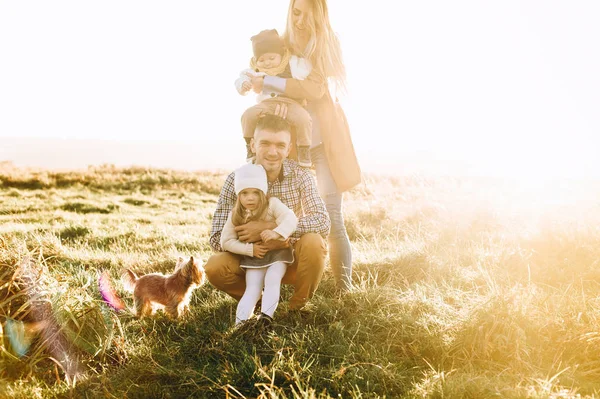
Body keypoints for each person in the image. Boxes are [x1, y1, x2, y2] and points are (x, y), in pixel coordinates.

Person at [246, 0, 361, 291]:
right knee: (283, 216)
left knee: (333, 217)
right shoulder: (278, 46)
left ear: (319, 17)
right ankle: (279, 285)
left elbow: (315, 88)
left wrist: (272, 83)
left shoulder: (325, 45)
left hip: (326, 145)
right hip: (291, 150)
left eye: (308, 17)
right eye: (296, 13)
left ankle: (343, 290)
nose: (299, 21)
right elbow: (257, 81)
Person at [205, 114, 330, 311]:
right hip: (249, 260)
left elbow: (322, 221)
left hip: (290, 257)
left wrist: (275, 230)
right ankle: (258, 303)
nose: (273, 152)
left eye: (280, 145)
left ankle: (297, 308)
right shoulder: (236, 178)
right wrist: (250, 241)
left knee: (315, 243)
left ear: (289, 148)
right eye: (265, 143)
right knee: (215, 266)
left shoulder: (301, 175)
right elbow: (216, 238)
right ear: (253, 145)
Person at [220, 163, 298, 325]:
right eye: (244, 193)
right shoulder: (236, 214)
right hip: (254, 257)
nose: (250, 197)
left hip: (277, 254)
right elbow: (226, 241)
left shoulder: (273, 204)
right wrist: (249, 249)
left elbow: (291, 218)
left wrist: (276, 233)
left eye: (255, 192)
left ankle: (266, 318)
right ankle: (240, 323)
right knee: (253, 287)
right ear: (238, 196)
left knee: (272, 278)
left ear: (263, 192)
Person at [235, 29, 313, 167]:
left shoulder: (291, 64)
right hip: (267, 104)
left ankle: (304, 149)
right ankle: (249, 146)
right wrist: (243, 84)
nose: (267, 63)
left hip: (291, 104)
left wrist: (299, 52)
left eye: (272, 58)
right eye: (262, 59)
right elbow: (241, 78)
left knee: (304, 119)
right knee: (247, 115)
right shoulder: (255, 71)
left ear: (281, 55)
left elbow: (307, 68)